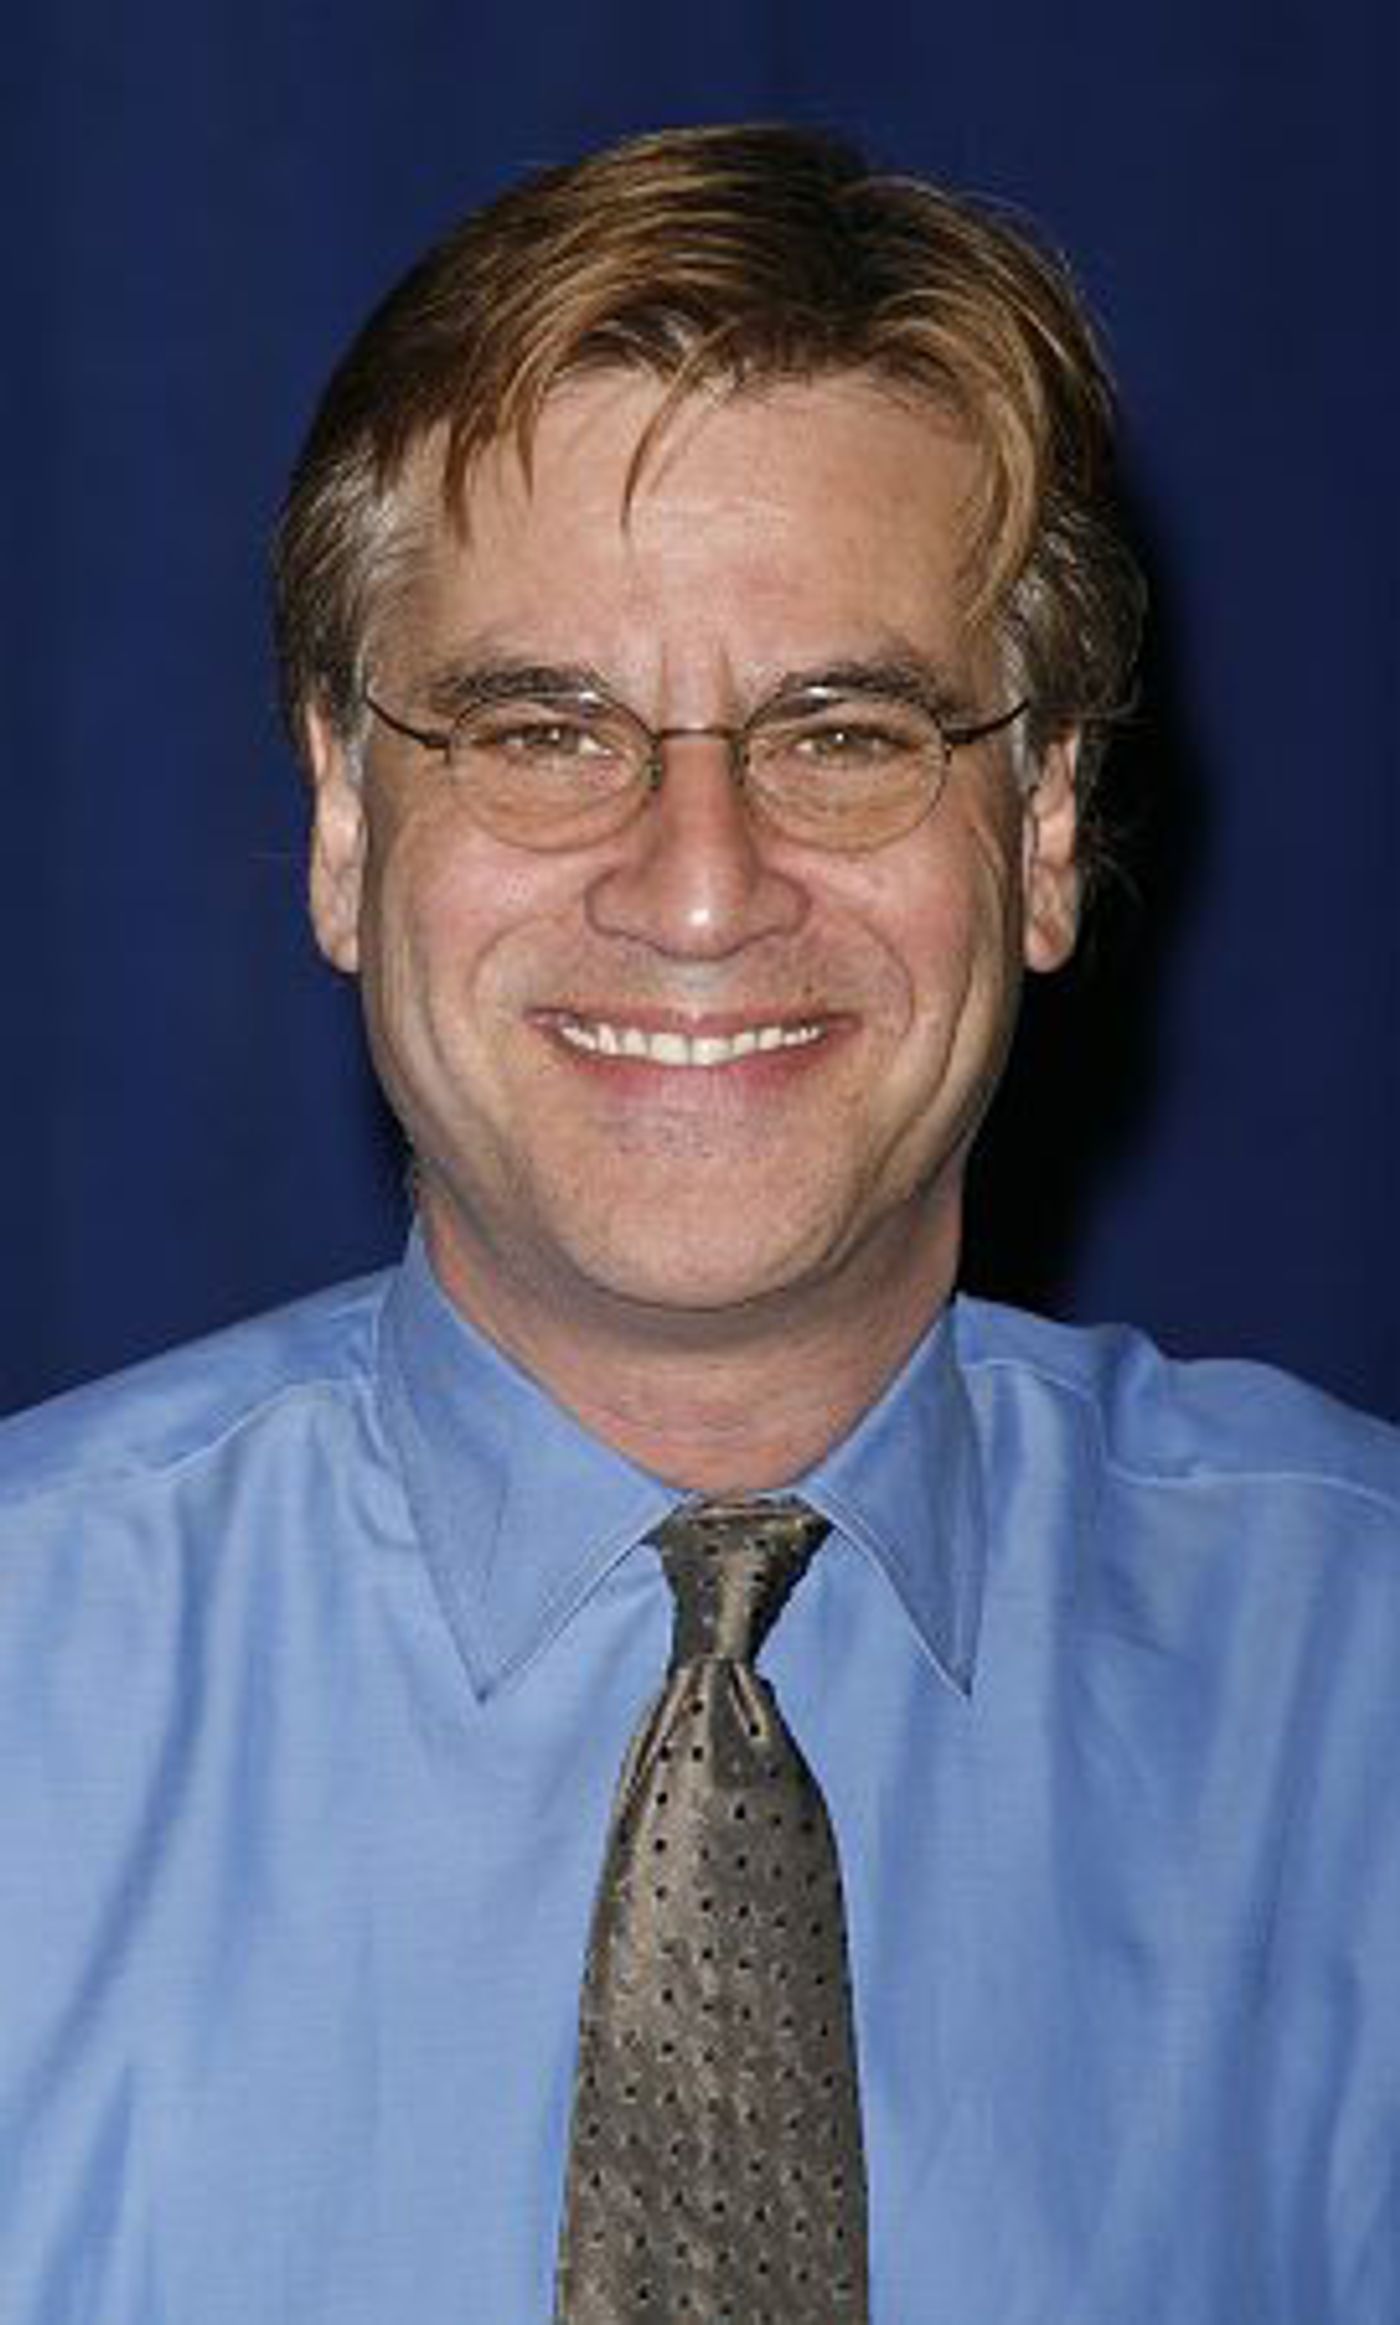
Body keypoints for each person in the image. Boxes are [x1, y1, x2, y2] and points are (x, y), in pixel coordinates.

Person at [1, 123, 1396, 2325]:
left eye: (841, 731)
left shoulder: (1357, 1690)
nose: (700, 882)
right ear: (345, 817)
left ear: (1041, 824)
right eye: (543, 727)